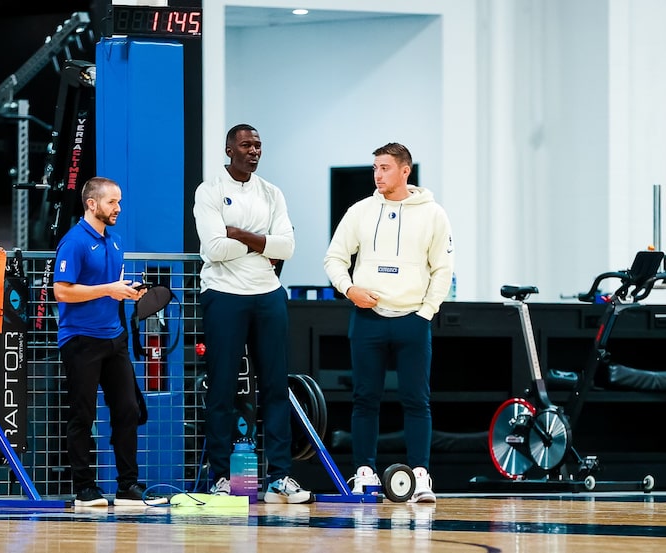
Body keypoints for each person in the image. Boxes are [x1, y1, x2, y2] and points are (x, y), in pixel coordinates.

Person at [323, 142, 453, 503]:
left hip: (413, 318)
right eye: (375, 168)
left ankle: (421, 475)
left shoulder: (433, 214)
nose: (378, 175)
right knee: (365, 398)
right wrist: (349, 289)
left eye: (385, 168)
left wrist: (426, 311)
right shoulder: (360, 211)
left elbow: (443, 269)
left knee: (416, 399)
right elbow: (334, 258)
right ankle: (364, 471)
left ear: (404, 170)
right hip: (368, 318)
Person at [193, 124, 312, 504]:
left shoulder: (271, 192)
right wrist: (264, 245)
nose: (254, 150)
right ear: (229, 149)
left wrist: (242, 236)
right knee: (222, 389)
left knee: (276, 387)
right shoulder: (209, 190)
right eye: (246, 144)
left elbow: (288, 248)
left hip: (268, 294)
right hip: (224, 294)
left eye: (258, 145)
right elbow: (213, 249)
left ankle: (280, 476)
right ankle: (221, 478)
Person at [54, 176, 167, 508]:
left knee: (128, 410)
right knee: (82, 414)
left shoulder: (114, 242)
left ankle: (127, 486)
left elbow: (108, 286)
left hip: (114, 339)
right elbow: (62, 291)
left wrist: (127, 291)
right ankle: (84, 489)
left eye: (119, 201)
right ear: (92, 204)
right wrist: (108, 289)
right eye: (112, 202)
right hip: (80, 341)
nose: (118, 208)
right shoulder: (73, 242)